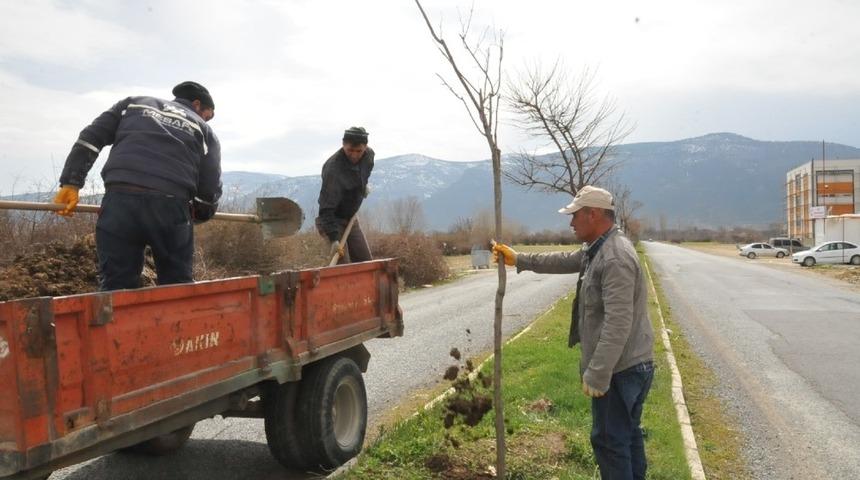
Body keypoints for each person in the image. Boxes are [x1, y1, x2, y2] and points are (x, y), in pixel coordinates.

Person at [493, 185, 655, 480]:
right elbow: (564, 260)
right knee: (626, 436)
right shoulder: (599, 249)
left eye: (575, 216)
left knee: (609, 441)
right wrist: (519, 259)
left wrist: (597, 373)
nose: (570, 223)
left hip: (621, 369)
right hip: (628, 365)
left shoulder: (615, 257)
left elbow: (618, 323)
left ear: (593, 215)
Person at [54, 81, 222, 291]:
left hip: (120, 202)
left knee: (116, 286)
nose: (207, 120)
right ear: (197, 104)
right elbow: (209, 188)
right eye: (209, 115)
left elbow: (91, 138)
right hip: (171, 208)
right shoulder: (203, 129)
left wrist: (71, 183)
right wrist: (197, 214)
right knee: (177, 288)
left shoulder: (132, 105)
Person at [315, 126, 374, 264]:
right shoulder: (333, 169)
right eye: (350, 150)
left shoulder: (369, 157)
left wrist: (362, 186)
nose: (354, 155)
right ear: (343, 145)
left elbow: (363, 173)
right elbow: (325, 209)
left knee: (366, 263)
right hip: (332, 221)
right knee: (344, 267)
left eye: (358, 151)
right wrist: (334, 238)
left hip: (351, 219)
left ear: (365, 147)